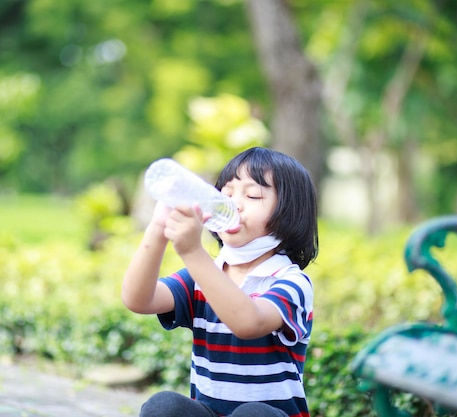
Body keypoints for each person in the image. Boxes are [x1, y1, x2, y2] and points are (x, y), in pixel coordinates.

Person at [121, 147, 318, 417]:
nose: (234, 203)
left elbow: (248, 322)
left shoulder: (291, 282)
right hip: (210, 411)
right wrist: (158, 229)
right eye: (226, 194)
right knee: (164, 406)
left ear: (289, 213)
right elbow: (138, 299)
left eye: (252, 195)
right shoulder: (203, 276)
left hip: (268, 414)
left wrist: (192, 251)